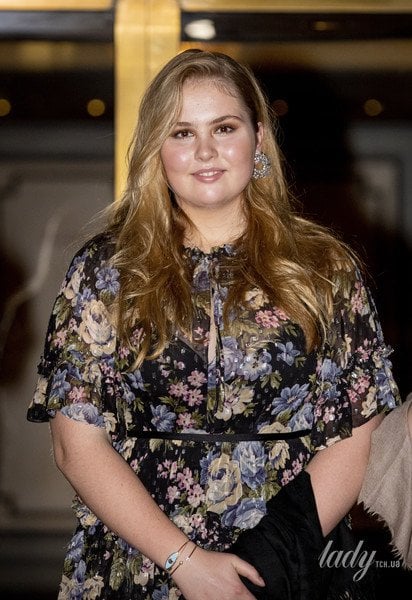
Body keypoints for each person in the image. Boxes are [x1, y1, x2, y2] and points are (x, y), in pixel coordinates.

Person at [27, 48, 401, 600]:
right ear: (156, 149)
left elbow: (357, 432)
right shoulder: (106, 270)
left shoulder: (326, 268)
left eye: (224, 128)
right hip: (138, 560)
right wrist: (185, 562)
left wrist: (268, 561)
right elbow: (76, 446)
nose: (205, 150)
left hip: (291, 561)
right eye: (181, 133)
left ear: (258, 138)